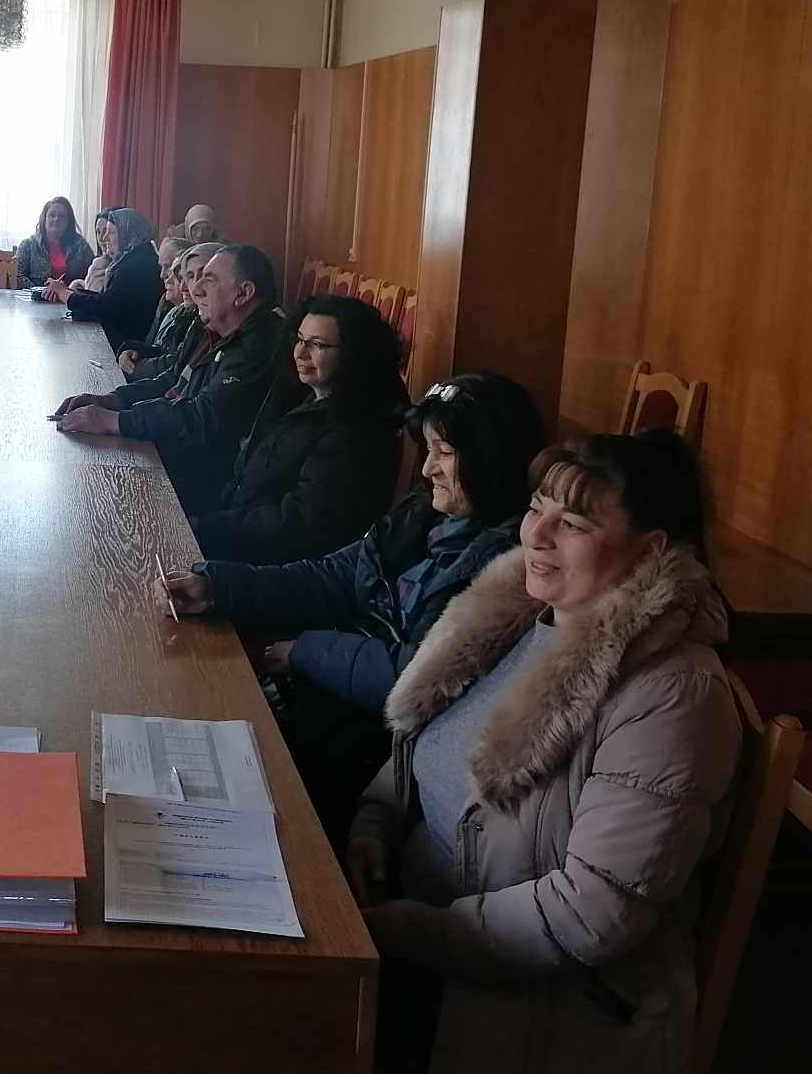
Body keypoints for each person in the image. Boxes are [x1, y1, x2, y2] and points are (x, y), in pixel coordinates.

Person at [347, 431, 739, 1074]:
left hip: (534, 1009)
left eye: (574, 524)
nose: (537, 535)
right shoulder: (520, 616)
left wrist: (415, 932)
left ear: (651, 551)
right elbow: (427, 741)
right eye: (537, 508)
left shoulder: (674, 696)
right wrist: (375, 821)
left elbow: (595, 912)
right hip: (418, 934)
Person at [160, 372, 546, 842]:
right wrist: (218, 587)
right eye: (427, 450)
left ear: (491, 459)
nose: (428, 469)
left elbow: (420, 678)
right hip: (325, 697)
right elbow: (334, 576)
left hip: (366, 747)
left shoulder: (506, 568)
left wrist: (303, 651)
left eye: (444, 453)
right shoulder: (423, 514)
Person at [57, 244, 283, 513]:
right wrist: (113, 400)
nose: (196, 289)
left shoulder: (259, 345)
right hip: (186, 458)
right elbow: (173, 380)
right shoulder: (215, 329)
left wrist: (116, 421)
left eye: (209, 280)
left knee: (97, 498)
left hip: (212, 490)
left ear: (243, 293)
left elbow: (202, 419)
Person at [192, 294, 408, 564]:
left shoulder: (357, 431)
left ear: (354, 353)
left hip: (269, 564)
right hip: (238, 528)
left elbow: (299, 523)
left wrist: (206, 527)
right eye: (300, 339)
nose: (300, 353)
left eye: (317, 345)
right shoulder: (305, 393)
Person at [57, 207, 164, 353]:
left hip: (129, 348)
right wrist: (70, 292)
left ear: (127, 232)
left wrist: (66, 295)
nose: (105, 237)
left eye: (111, 232)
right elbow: (110, 299)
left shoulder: (137, 265)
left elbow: (105, 306)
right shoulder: (132, 258)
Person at [115, 238, 192, 376]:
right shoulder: (168, 305)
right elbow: (155, 348)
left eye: (169, 267)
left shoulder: (197, 319)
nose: (163, 275)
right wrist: (133, 351)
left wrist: (137, 368)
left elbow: (173, 367)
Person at [13, 196, 98, 288]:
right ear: (44, 219)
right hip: (35, 295)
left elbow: (92, 277)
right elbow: (17, 276)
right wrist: (41, 291)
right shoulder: (28, 245)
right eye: (52, 215)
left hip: (71, 295)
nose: (56, 219)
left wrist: (69, 290)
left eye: (62, 216)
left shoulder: (82, 246)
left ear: (68, 221)